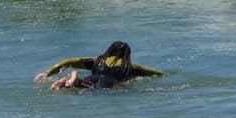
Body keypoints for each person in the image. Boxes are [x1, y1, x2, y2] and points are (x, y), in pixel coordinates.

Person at [33, 41, 163, 90]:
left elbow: (68, 61)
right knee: (117, 86)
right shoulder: (130, 67)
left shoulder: (97, 61)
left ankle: (73, 78)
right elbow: (157, 74)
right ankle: (73, 80)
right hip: (108, 85)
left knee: (81, 85)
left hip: (91, 79)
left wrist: (47, 73)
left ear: (110, 50)